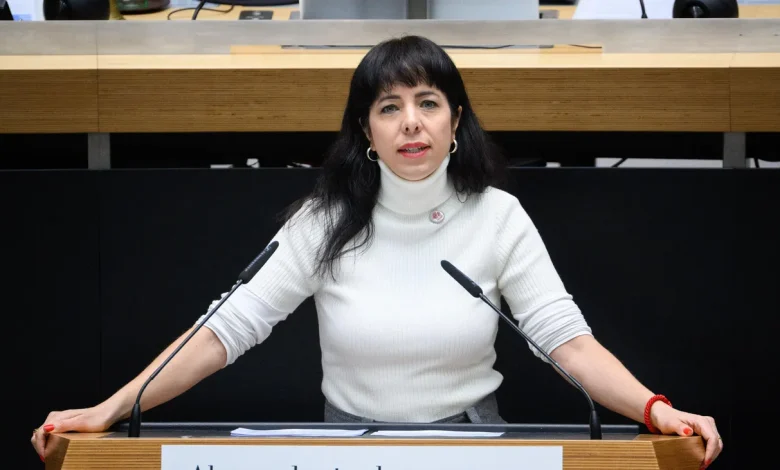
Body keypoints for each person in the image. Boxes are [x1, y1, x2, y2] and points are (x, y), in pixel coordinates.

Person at [31, 35, 723, 468]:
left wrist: (656, 410)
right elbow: (223, 331)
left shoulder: (498, 217)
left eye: (429, 102)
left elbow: (566, 342)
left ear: (456, 120)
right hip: (349, 449)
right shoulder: (325, 220)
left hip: (476, 449)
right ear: (366, 130)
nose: (411, 123)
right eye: (389, 107)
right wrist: (110, 409)